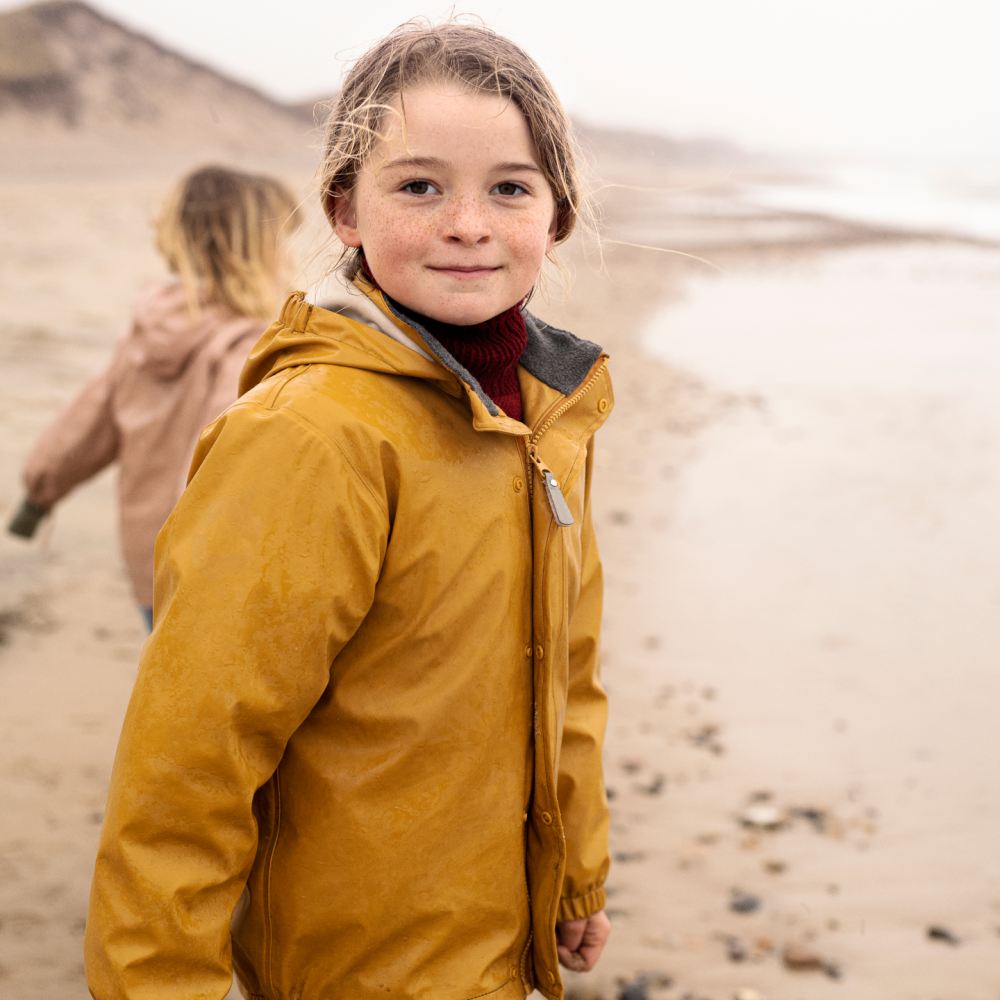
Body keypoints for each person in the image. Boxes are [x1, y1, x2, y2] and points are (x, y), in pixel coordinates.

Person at [84, 21, 614, 1000]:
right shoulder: (309, 436)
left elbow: (566, 671)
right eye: (418, 186)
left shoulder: (547, 413)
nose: (467, 222)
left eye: (509, 186)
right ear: (345, 209)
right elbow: (188, 766)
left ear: (557, 214)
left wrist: (573, 864)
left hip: (494, 944)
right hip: (356, 968)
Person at [15, 166, 301, 629]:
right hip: (210, 570)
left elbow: (83, 427)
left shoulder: (142, 333)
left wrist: (37, 496)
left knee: (166, 676)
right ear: (255, 250)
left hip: (147, 561)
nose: (290, 255)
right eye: (283, 241)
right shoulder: (250, 349)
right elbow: (215, 469)